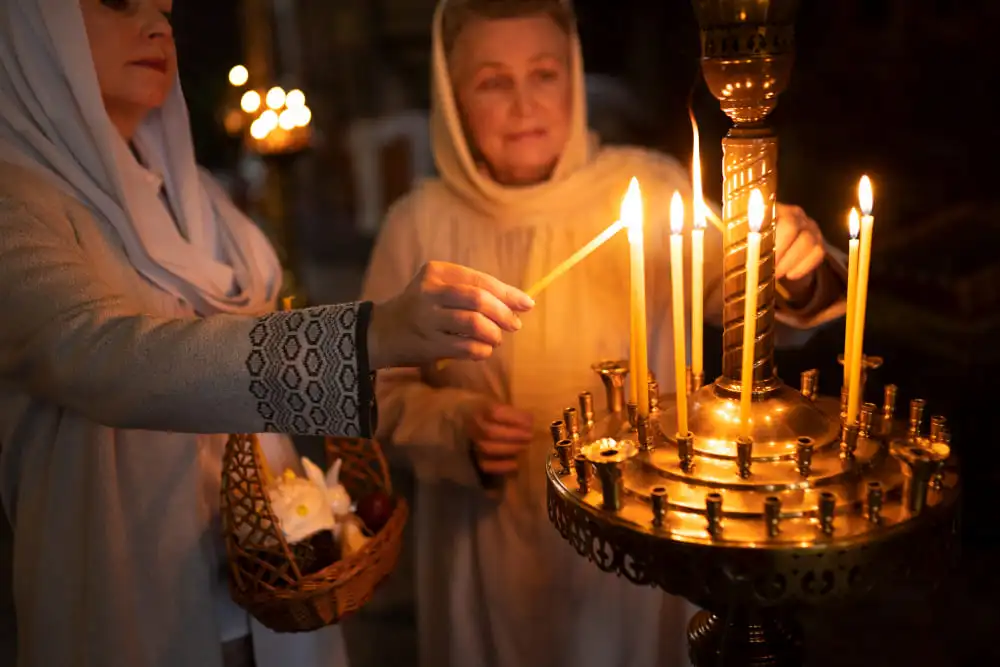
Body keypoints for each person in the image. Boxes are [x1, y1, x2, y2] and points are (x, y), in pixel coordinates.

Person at [0, 2, 535, 667]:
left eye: (166, 7)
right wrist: (369, 335)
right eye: (119, 1)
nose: (160, 23)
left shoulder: (198, 194)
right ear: (31, 22)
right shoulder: (17, 206)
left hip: (272, 579)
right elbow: (103, 353)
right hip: (138, 592)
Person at [360, 1, 847, 667]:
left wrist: (788, 267)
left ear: (576, 77)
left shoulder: (643, 186)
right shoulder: (417, 225)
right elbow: (373, 386)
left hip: (635, 534)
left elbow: (744, 297)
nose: (525, 103)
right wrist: (451, 424)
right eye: (492, 82)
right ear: (450, 96)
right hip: (487, 539)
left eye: (545, 73)